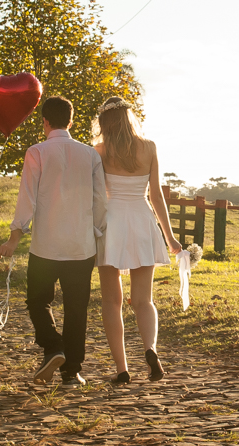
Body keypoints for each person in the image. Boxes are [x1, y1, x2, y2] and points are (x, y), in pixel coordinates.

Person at [0, 96, 107, 388]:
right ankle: (72, 372)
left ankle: (53, 346)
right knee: (76, 309)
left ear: (44, 121)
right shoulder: (90, 155)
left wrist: (13, 238)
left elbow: (27, 199)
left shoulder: (37, 152)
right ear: (71, 121)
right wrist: (95, 234)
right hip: (81, 247)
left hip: (45, 247)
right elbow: (100, 201)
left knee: (37, 301)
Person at [92, 96, 183, 384]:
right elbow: (156, 196)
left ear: (104, 122)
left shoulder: (98, 151)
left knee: (112, 301)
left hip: (112, 223)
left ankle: (122, 369)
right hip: (143, 220)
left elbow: (95, 197)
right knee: (143, 300)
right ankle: (151, 349)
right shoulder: (149, 148)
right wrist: (170, 238)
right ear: (130, 118)